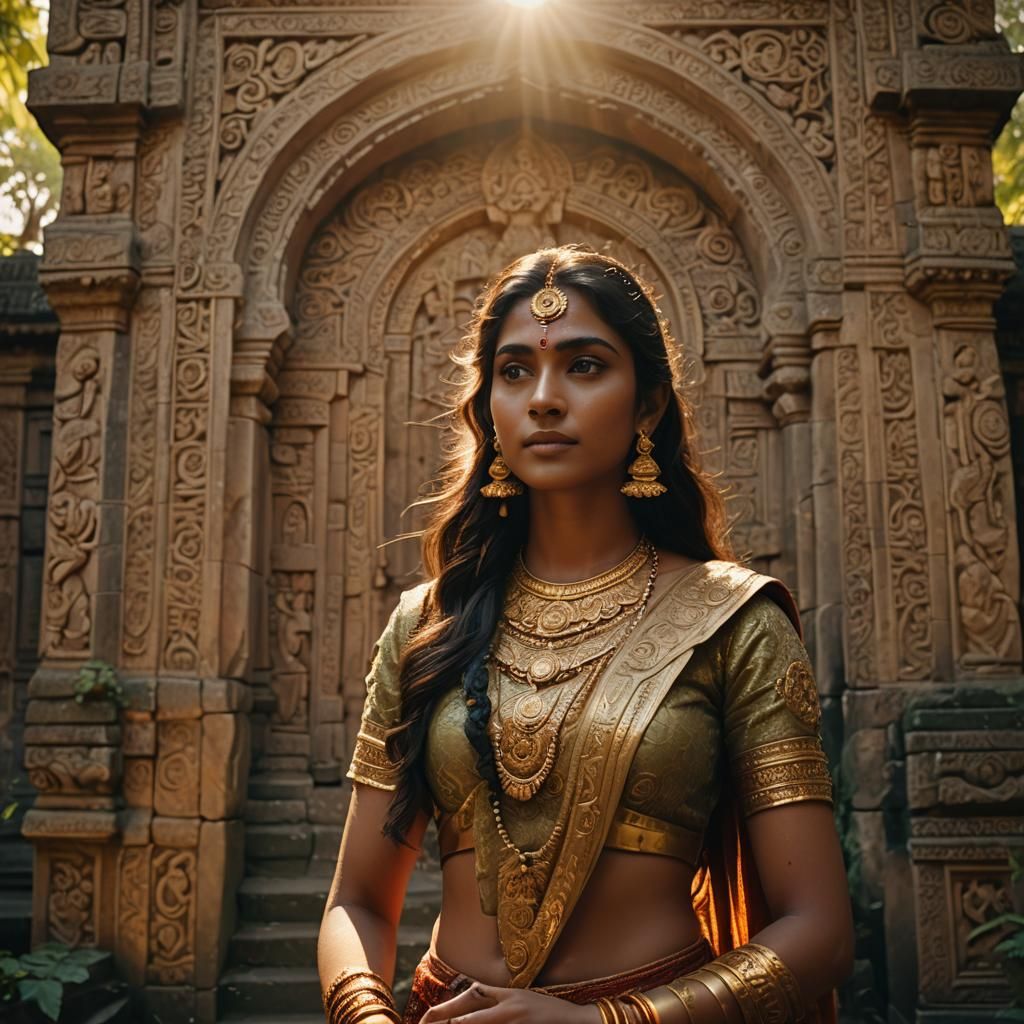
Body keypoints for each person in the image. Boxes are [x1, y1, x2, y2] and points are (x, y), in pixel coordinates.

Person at [318, 245, 854, 1024]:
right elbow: (359, 902)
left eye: (585, 366)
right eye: (513, 372)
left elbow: (821, 933)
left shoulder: (732, 621)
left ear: (649, 406)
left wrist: (607, 1023)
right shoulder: (427, 624)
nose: (543, 398)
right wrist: (366, 1014)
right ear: (488, 409)